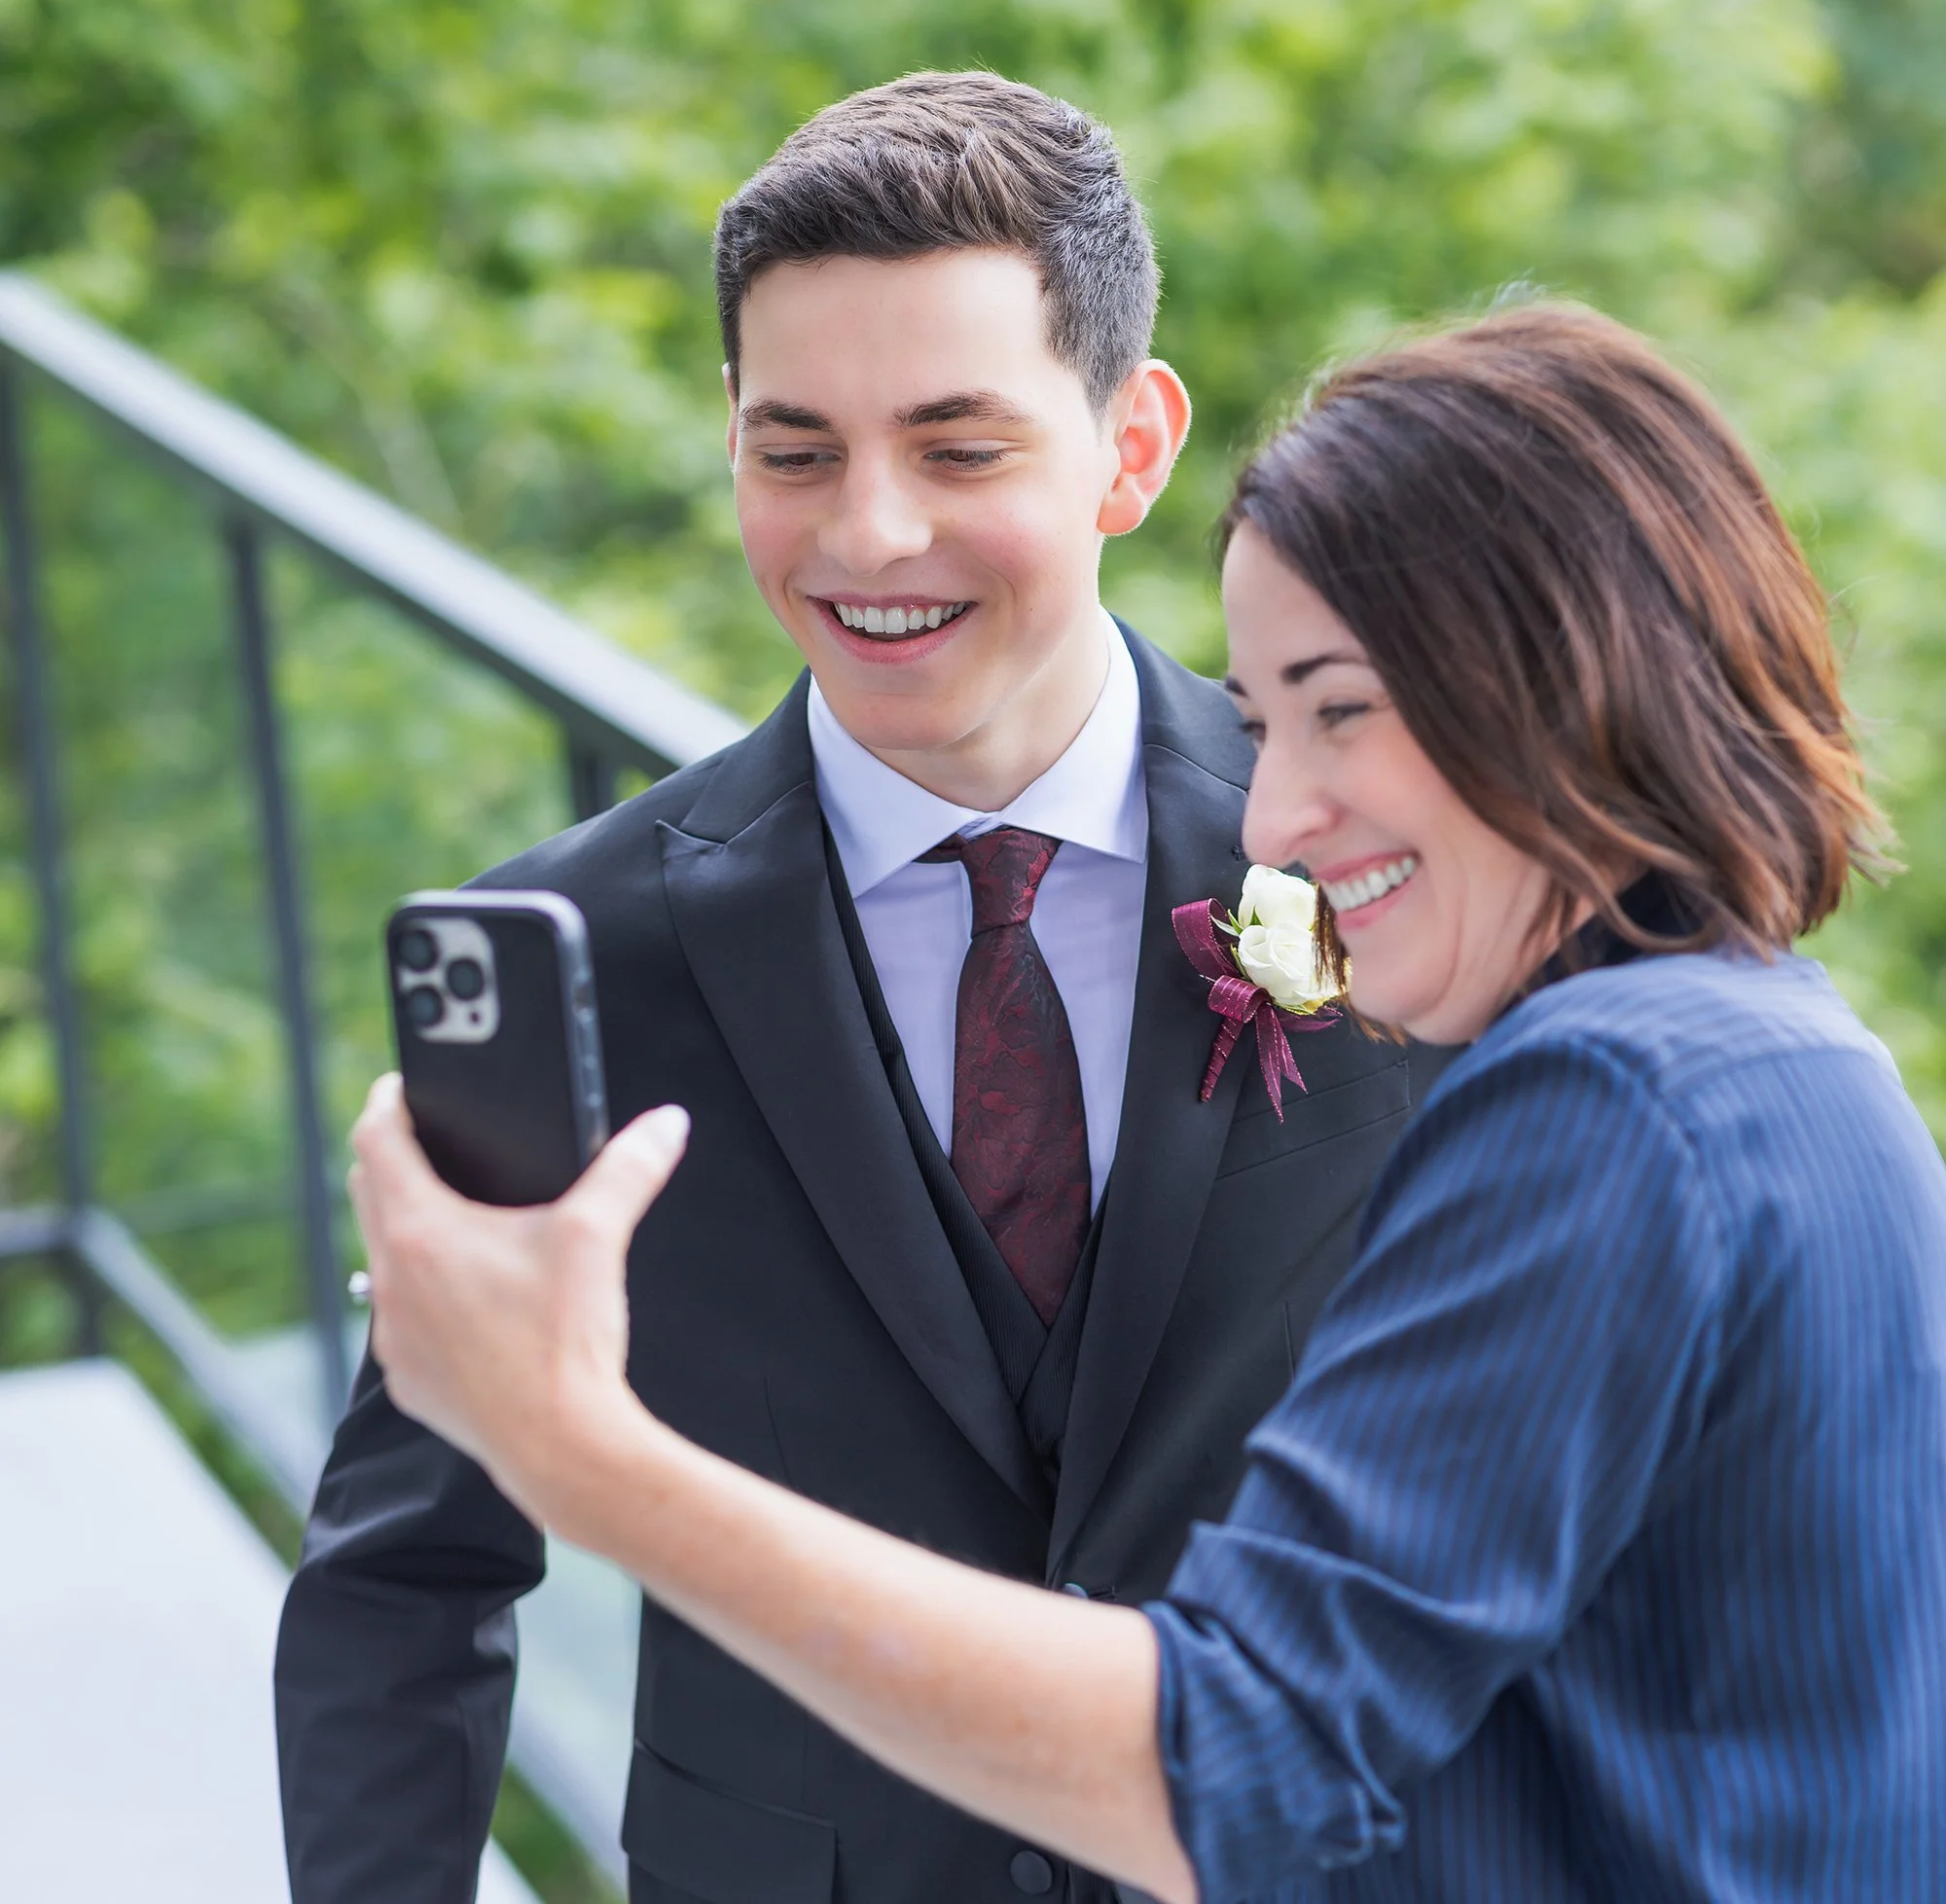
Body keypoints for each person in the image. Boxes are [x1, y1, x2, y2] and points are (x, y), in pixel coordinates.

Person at [351, 301, 1946, 1902]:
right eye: (1261, 722)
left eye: (1343, 708)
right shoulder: (1798, 1067)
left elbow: (1231, 1761)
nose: (1279, 813)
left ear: (1565, 674)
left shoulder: (1608, 1104)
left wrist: (579, 1452)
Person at [274, 72, 1440, 1903]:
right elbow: (409, 1573)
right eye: (793, 450)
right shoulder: (577, 952)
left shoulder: (1383, 865)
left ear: (1132, 446)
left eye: (959, 449)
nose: (867, 536)